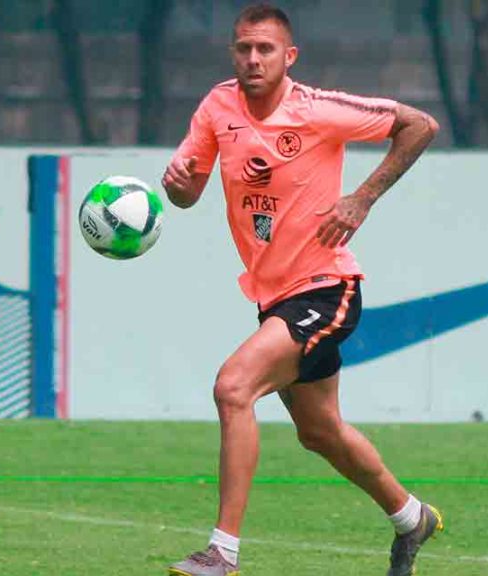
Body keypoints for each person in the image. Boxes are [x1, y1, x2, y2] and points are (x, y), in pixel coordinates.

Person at [161, 4, 442, 576]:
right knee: (320, 432)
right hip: (274, 296)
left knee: (232, 387)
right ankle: (412, 518)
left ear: (289, 57)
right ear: (232, 53)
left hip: (326, 288)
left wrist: (360, 199)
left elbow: (420, 125)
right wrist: (181, 187)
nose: (253, 58)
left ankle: (223, 552)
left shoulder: (317, 109)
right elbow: (184, 195)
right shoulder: (218, 106)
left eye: (265, 49)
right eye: (244, 48)